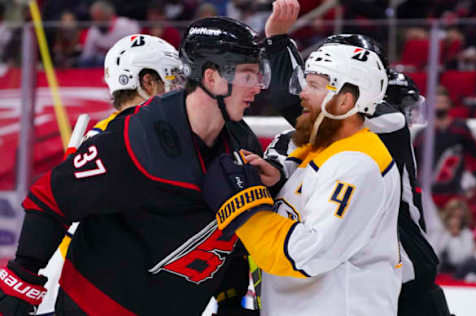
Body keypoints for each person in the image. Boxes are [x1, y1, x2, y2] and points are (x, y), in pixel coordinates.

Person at [0, 1, 304, 310]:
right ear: (212, 78)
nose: (259, 88)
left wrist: (230, 299)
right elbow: (51, 197)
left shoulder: (242, 141)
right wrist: (22, 282)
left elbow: (229, 238)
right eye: (249, 75)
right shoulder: (136, 138)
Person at [203, 40, 403, 316]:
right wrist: (276, 182)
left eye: (314, 85)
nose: (302, 94)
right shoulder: (327, 149)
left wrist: (245, 212)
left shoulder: (357, 164)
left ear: (345, 100)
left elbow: (307, 254)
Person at [264, 34, 453, 316]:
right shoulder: (298, 139)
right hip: (355, 274)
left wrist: (278, 44)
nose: (305, 94)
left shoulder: (387, 124)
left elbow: (290, 101)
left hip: (402, 268)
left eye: (314, 84)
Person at [35, 33, 185, 316]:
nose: (180, 90)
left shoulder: (115, 133)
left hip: (87, 283)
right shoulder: (133, 139)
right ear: (148, 82)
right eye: (172, 78)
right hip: (91, 290)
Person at [414, 85, 476, 209]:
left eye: (443, 102)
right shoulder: (422, 134)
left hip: (454, 192)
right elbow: (414, 163)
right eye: (436, 102)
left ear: (449, 104)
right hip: (427, 193)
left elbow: (475, 156)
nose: (440, 105)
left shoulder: (460, 129)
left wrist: (474, 181)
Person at [78, 1, 140, 67]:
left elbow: (136, 47)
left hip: (123, 59)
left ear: (109, 15)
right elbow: (87, 54)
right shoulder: (93, 30)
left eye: (100, 17)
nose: (97, 22)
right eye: (95, 18)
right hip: (101, 60)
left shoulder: (125, 25)